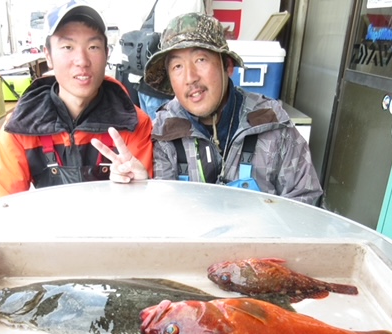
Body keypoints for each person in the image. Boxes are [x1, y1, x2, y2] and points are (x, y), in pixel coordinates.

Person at [94, 13, 323, 206]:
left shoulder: (272, 124)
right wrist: (142, 188)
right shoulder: (164, 133)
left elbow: (306, 205)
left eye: (201, 60)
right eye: (177, 66)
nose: (190, 77)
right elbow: (165, 215)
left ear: (227, 66)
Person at [0, 0, 153, 198]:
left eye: (93, 47)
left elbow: (145, 206)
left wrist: (142, 185)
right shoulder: (20, 127)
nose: (82, 61)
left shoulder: (135, 124)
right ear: (48, 55)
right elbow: (4, 204)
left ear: (107, 54)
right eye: (67, 47)